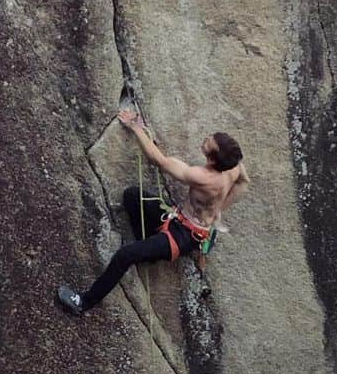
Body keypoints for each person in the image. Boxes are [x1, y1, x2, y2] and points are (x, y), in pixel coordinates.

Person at [57, 109, 249, 315]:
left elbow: (160, 160)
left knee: (125, 255)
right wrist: (219, 208)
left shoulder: (202, 177)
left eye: (207, 143)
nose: (204, 140)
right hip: (178, 218)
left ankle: (84, 302)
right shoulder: (233, 168)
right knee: (132, 196)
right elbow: (244, 182)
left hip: (182, 236)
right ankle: (149, 247)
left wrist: (135, 127)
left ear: (212, 160)